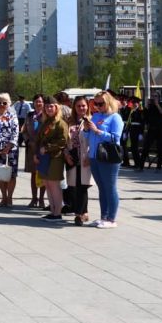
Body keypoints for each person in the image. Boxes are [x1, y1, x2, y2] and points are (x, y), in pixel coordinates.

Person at [85, 90, 124, 228]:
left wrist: (97, 131)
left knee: (110, 187)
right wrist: (86, 129)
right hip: (95, 155)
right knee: (102, 188)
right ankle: (104, 216)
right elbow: (88, 137)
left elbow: (115, 138)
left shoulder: (115, 118)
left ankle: (112, 219)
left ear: (108, 102)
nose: (97, 106)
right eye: (95, 103)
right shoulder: (96, 116)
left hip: (109, 156)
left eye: (100, 103)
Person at [35, 95, 69, 221]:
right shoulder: (46, 122)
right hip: (44, 158)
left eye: (51, 106)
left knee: (54, 185)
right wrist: (35, 154)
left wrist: (48, 148)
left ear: (56, 107)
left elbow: (62, 141)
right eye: (47, 106)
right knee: (47, 184)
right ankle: (53, 210)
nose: (49, 108)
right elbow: (38, 139)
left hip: (55, 158)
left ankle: (58, 212)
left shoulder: (61, 123)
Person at [65, 96, 94, 226]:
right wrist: (66, 154)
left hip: (84, 157)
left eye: (83, 105)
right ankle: (84, 212)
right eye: (78, 106)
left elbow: (94, 140)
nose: (81, 108)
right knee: (73, 186)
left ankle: (79, 214)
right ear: (74, 107)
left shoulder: (91, 120)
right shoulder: (69, 121)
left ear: (87, 106)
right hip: (72, 156)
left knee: (83, 186)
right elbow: (64, 140)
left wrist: (89, 155)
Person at [0, 93, 20, 208]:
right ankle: (3, 197)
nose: (1, 105)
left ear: (8, 104)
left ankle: (10, 198)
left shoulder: (12, 116)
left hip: (11, 150)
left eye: (4, 103)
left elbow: (15, 133)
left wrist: (8, 148)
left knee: (11, 175)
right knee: (0, 174)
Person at [23, 94, 46, 209]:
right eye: (36, 101)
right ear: (33, 103)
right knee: (33, 174)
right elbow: (24, 131)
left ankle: (42, 199)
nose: (38, 103)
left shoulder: (46, 116)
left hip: (43, 149)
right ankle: (34, 198)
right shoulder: (29, 115)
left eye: (40, 101)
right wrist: (27, 141)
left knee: (42, 174)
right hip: (31, 148)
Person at [141, 94, 162, 171]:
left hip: (160, 129)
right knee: (146, 147)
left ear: (159, 98)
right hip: (151, 129)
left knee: (159, 148)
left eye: (156, 96)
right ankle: (141, 166)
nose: (154, 98)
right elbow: (145, 117)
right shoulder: (149, 106)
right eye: (153, 97)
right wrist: (146, 107)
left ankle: (159, 166)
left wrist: (157, 104)